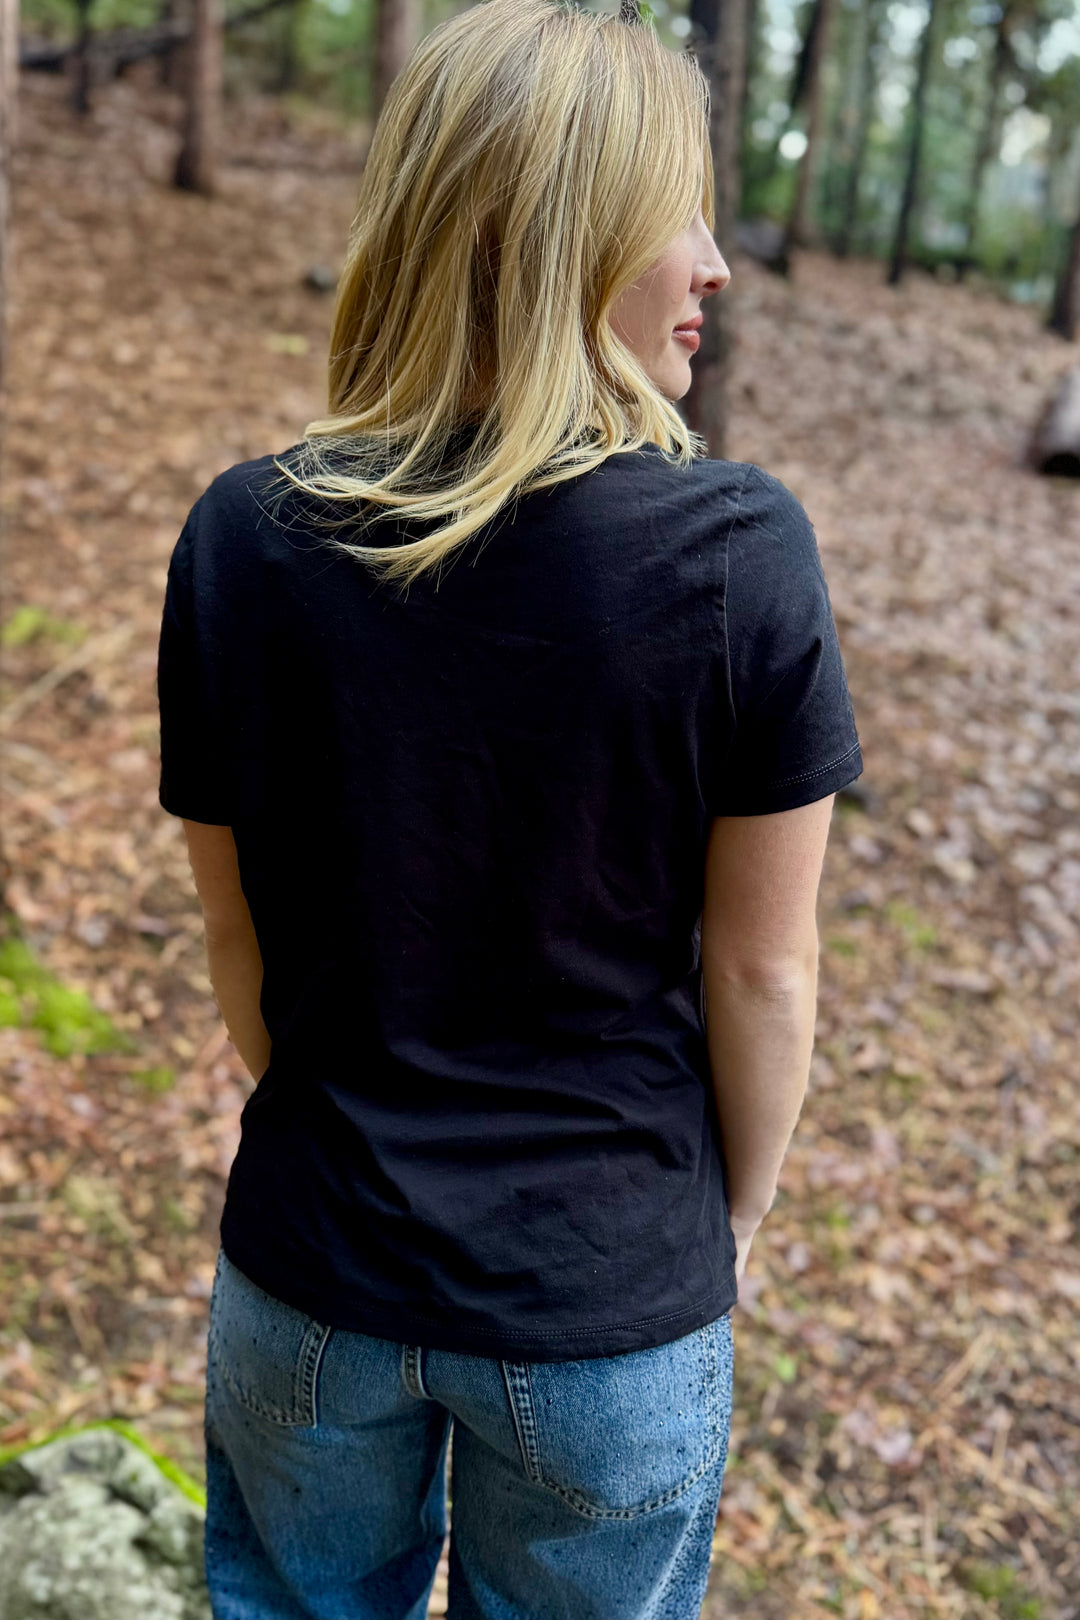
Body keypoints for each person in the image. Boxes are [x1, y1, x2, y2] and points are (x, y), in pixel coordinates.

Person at [156, 0, 863, 1615]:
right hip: (607, 1295)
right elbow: (765, 973)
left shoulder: (241, 540)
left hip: (311, 1271)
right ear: (561, 232)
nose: (717, 264)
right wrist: (720, 1216)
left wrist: (357, 1131)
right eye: (677, 209)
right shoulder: (738, 555)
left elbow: (233, 923)